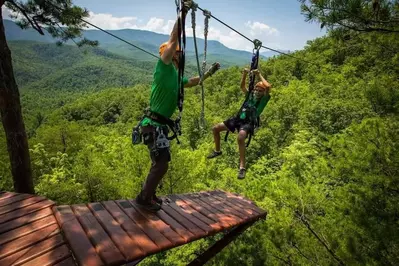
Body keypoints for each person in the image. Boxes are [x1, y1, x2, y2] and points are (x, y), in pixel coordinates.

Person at [135, 1, 220, 211]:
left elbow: (192, 82)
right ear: (171, 54)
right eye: (178, 52)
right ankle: (144, 198)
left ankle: (150, 195)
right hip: (152, 125)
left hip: (158, 127)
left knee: (162, 163)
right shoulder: (163, 67)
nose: (180, 54)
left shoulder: (175, 74)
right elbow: (173, 40)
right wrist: (182, 13)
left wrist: (209, 73)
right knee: (161, 163)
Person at [207, 68, 271, 179]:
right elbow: (242, 87)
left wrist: (259, 74)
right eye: (256, 89)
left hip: (248, 122)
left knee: (241, 137)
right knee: (215, 128)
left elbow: (268, 87)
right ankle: (217, 151)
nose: (257, 92)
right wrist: (245, 74)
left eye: (260, 91)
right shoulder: (250, 96)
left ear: (263, 93)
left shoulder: (264, 100)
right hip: (238, 119)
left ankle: (242, 168)